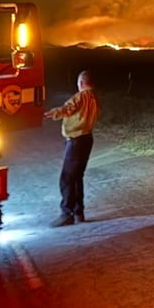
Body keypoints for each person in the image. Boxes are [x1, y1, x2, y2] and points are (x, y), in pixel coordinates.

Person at [45, 70, 101, 226]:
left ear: (81, 83)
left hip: (76, 140)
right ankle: (78, 212)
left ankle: (66, 213)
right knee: (77, 177)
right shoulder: (95, 98)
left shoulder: (80, 97)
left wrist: (52, 113)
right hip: (87, 139)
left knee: (67, 178)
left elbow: (68, 108)